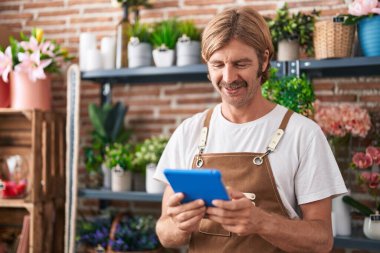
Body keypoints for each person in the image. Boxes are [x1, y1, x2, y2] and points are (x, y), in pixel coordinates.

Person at [154, 6, 347, 253]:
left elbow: (322, 241)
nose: (228, 76)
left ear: (264, 60)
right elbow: (164, 231)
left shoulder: (303, 134)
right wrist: (179, 225)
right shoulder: (188, 132)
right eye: (217, 64)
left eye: (240, 63)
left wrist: (261, 222)